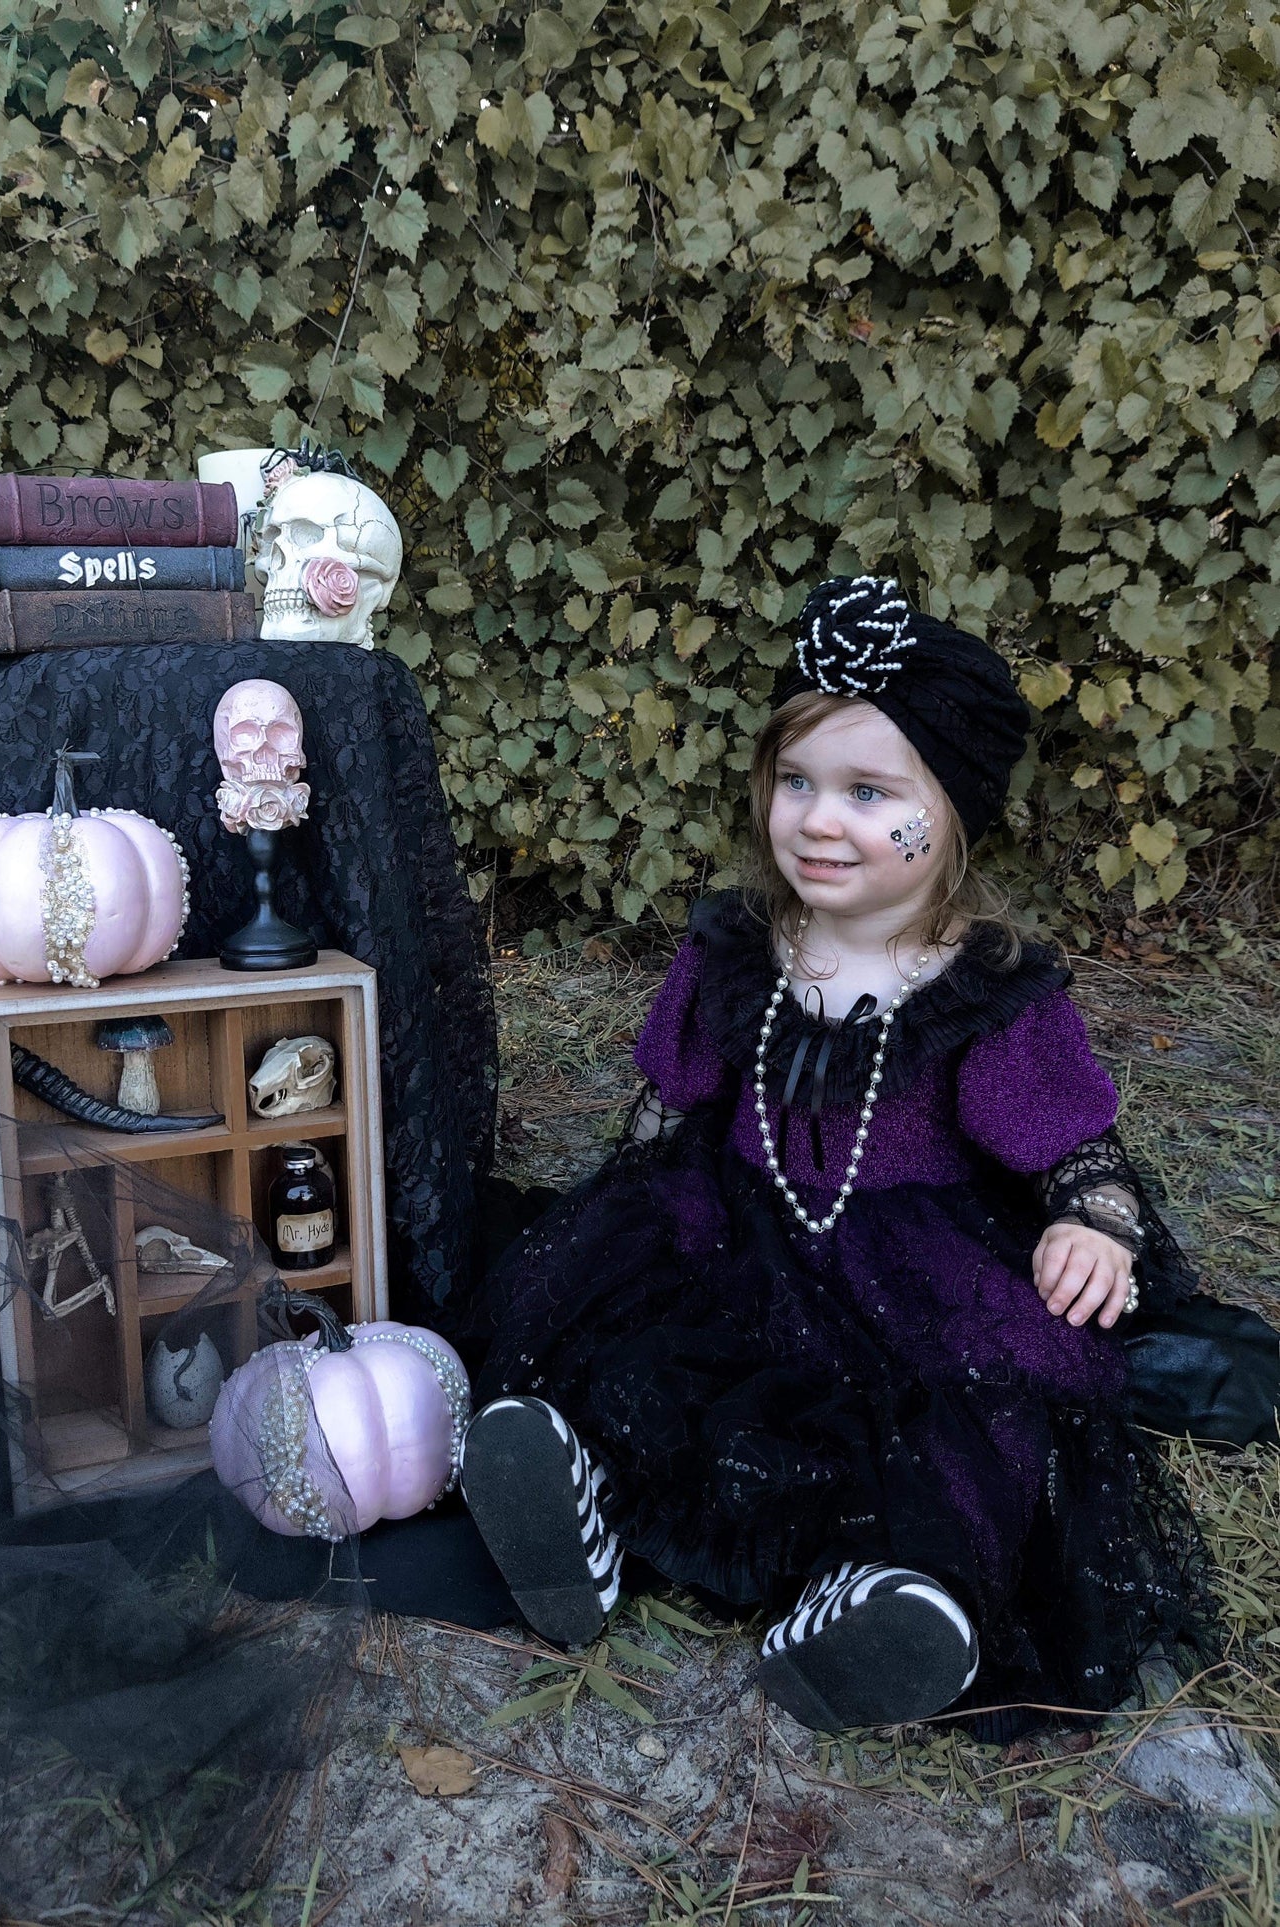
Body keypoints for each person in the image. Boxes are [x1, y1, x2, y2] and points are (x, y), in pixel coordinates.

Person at [456, 576, 1210, 1736]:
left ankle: (885, 1593)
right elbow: (666, 1119)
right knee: (641, 1342)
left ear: (950, 814)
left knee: (955, 1419)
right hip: (735, 1222)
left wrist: (1092, 1225)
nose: (816, 820)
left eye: (868, 792)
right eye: (795, 783)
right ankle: (577, 1499)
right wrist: (613, 1226)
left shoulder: (983, 989)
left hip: (916, 1267)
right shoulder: (735, 950)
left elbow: (1073, 1148)